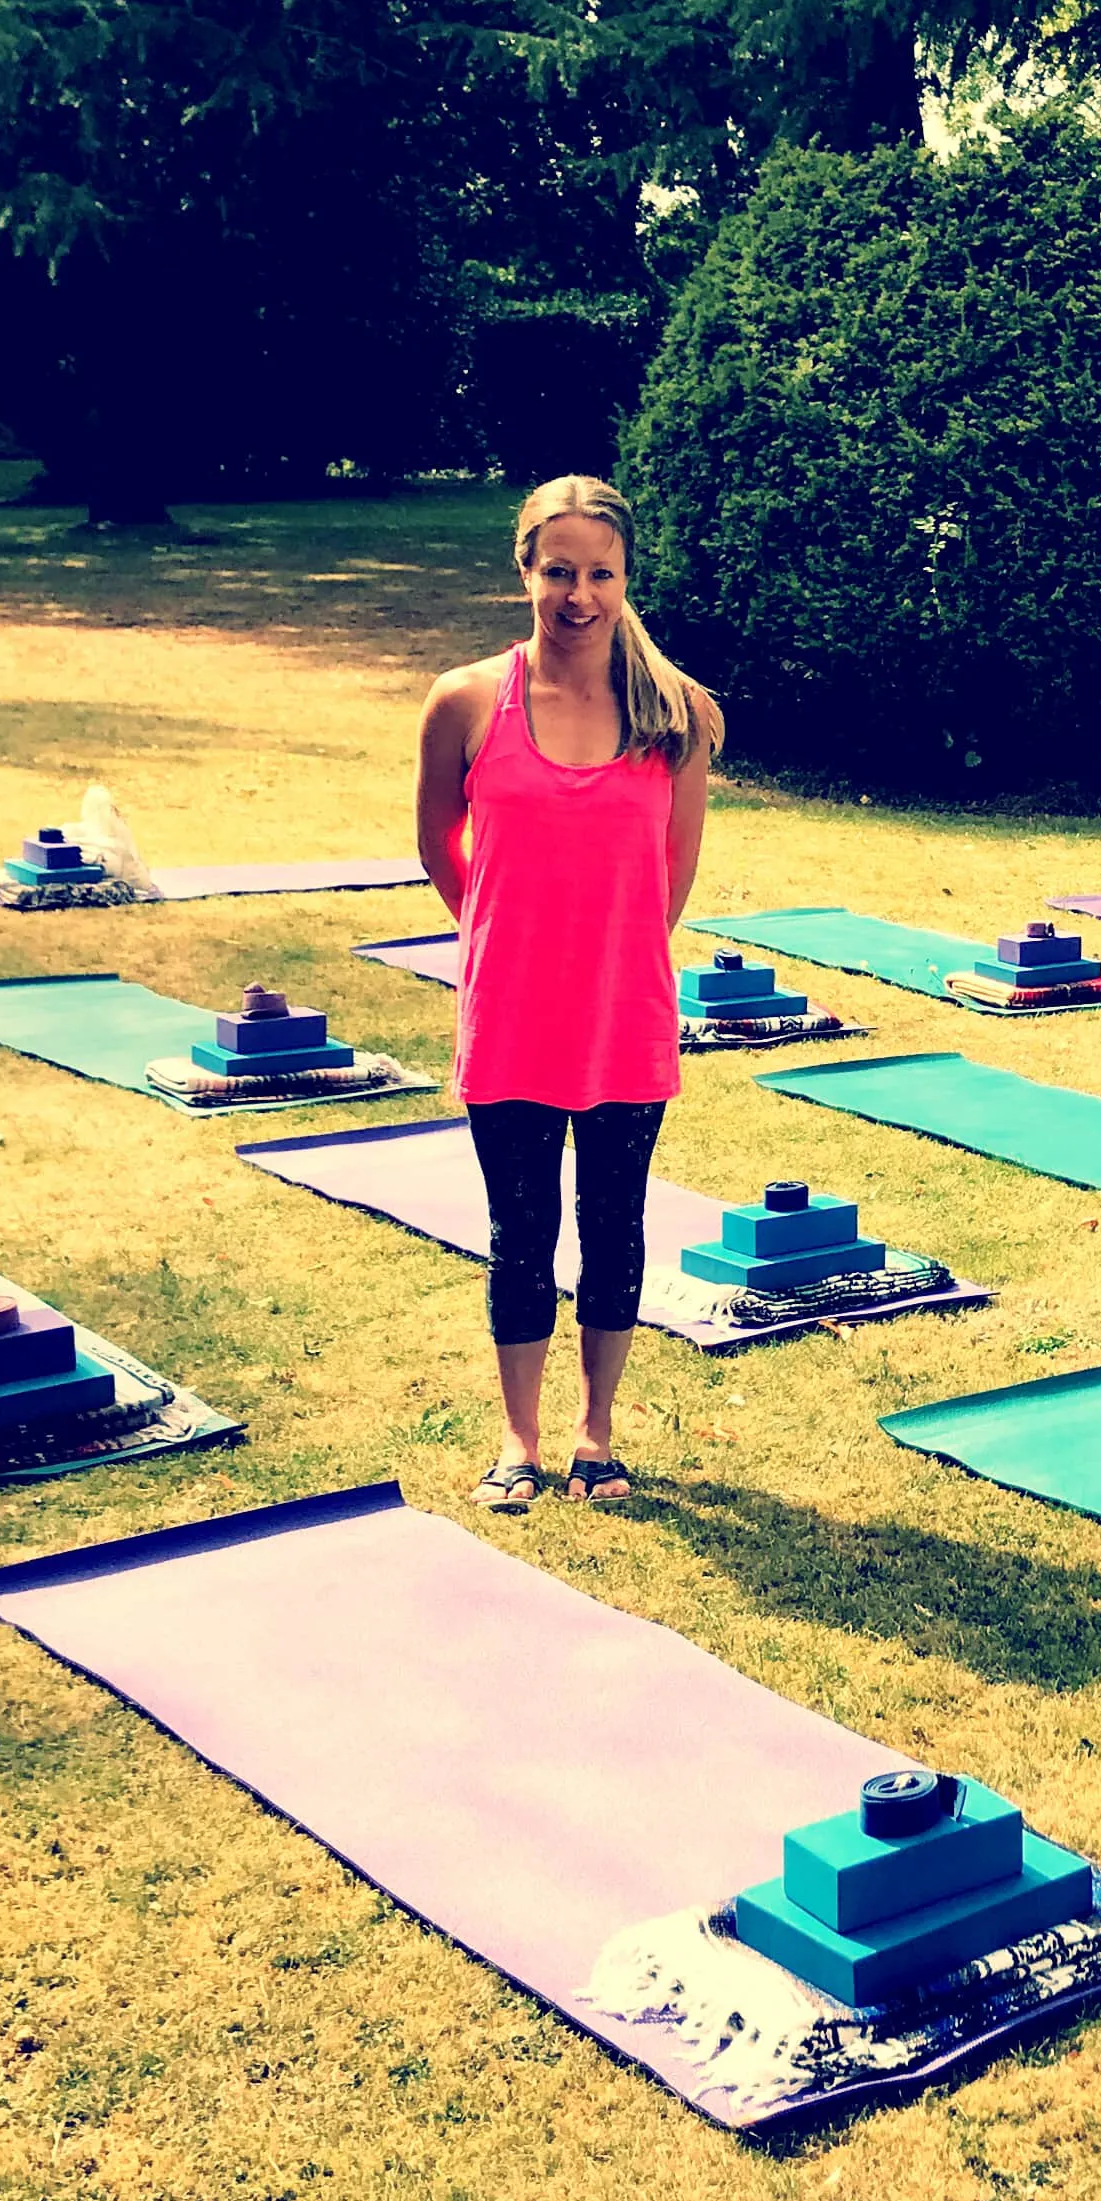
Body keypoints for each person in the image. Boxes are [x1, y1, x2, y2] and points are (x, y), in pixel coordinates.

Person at [414, 474, 722, 1506]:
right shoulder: (465, 702)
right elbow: (440, 846)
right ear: (525, 572)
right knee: (520, 1233)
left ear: (626, 580)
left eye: (600, 574)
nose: (578, 595)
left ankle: (597, 1435)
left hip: (624, 1018)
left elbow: (673, 875)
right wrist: (509, 938)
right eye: (559, 572)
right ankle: (520, 1440)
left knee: (614, 1226)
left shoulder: (673, 716)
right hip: (507, 1017)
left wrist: (606, 955)